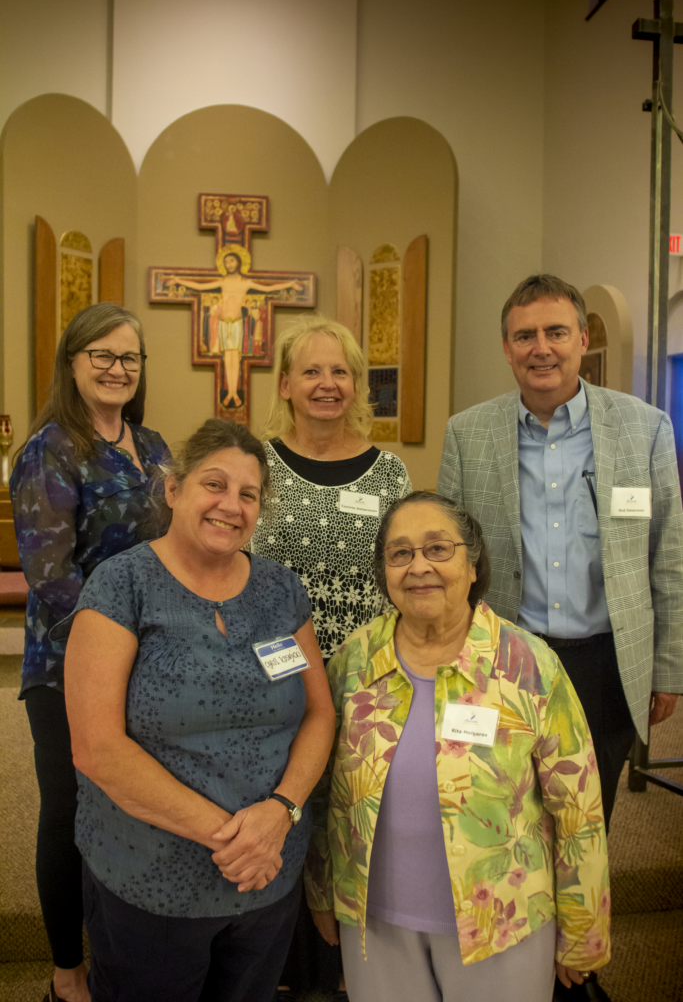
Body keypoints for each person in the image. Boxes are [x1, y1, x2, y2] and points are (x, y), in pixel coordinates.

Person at [436, 274, 683, 1000]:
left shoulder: (643, 428)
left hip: (606, 661)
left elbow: (667, 553)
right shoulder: (467, 432)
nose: (539, 349)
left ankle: (575, 969)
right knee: (504, 817)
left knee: (588, 821)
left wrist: (667, 666)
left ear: (582, 339)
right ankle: (508, 966)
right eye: (523, 335)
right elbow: (451, 558)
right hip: (504, 666)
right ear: (506, 348)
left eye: (554, 333)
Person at [61, 418, 336, 1002]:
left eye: (248, 494)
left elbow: (319, 715)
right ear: (174, 489)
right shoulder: (122, 586)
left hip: (266, 881)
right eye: (214, 484)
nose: (230, 505)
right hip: (151, 880)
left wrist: (280, 813)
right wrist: (238, 840)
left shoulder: (282, 590)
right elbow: (96, 747)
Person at [305, 491, 610, 1002]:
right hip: (375, 922)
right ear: (384, 574)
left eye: (437, 549)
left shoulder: (528, 665)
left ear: (473, 565)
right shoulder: (353, 662)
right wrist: (322, 891)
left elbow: (579, 809)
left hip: (502, 922)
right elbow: (324, 793)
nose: (418, 566)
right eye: (400, 554)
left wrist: (584, 929)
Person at [10, 303, 169, 1002]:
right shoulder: (51, 448)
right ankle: (67, 972)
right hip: (71, 665)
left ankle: (121, 955)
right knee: (70, 810)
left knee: (134, 809)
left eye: (128, 357)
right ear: (71, 362)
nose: (116, 368)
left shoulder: (157, 447)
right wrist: (122, 647)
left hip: (154, 663)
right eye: (101, 355)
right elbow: (51, 579)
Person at [252, 315, 412, 663]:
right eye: (311, 372)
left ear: (355, 384)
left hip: (366, 665)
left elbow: (406, 570)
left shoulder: (389, 473)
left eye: (340, 372)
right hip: (272, 663)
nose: (328, 384)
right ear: (284, 385)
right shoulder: (255, 467)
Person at [165, 248, 303, 408]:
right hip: (223, 323)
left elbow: (268, 288)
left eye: (232, 260)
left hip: (237, 324)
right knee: (227, 359)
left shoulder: (245, 283)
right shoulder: (222, 281)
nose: (229, 264)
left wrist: (290, 284)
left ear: (238, 262)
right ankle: (230, 392)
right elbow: (200, 287)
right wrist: (178, 281)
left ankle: (234, 392)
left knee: (234, 360)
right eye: (226, 261)